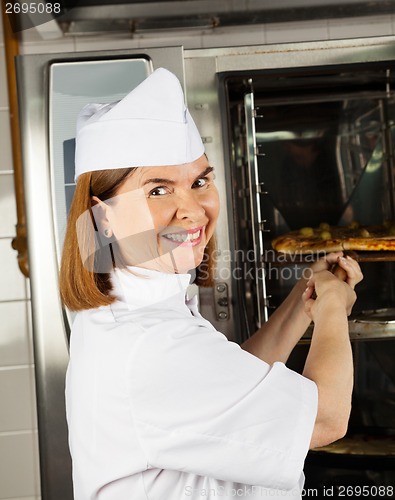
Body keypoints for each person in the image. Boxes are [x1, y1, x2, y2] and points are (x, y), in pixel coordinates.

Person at [59, 68, 363, 500]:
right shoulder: (148, 346)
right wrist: (334, 307)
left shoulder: (138, 304)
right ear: (103, 215)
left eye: (200, 181)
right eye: (158, 191)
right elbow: (327, 419)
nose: (194, 210)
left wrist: (305, 297)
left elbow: (228, 385)